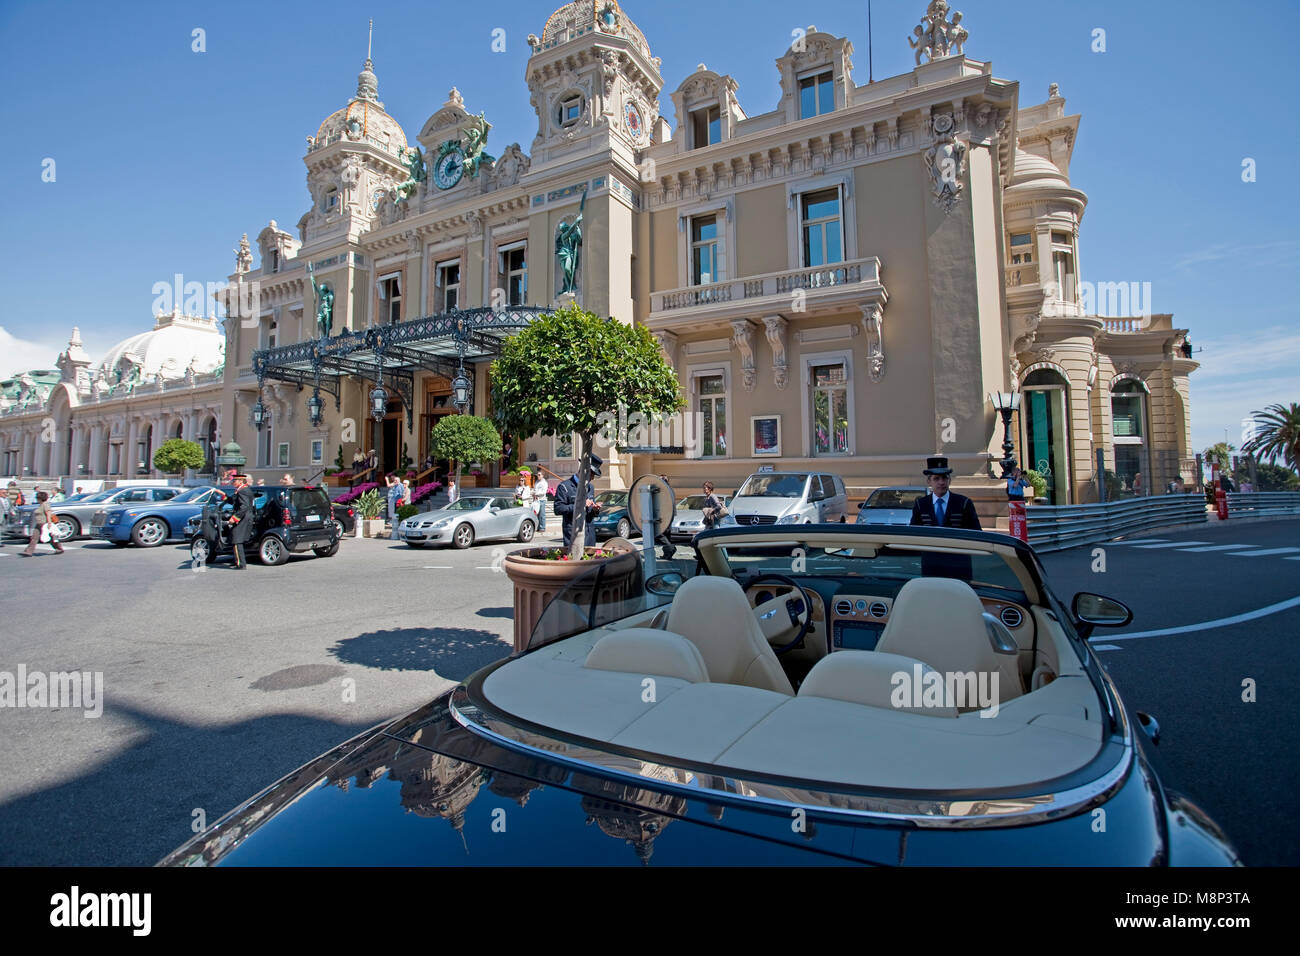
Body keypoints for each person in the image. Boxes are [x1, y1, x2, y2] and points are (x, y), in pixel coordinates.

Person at [910, 456, 981, 529]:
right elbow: (914, 534)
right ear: (929, 482)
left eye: (944, 478)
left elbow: (976, 533)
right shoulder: (921, 505)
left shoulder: (964, 503)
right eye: (936, 478)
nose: (941, 482)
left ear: (949, 480)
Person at [553, 455, 603, 548]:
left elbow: (590, 510)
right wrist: (581, 505)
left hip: (589, 537)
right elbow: (558, 509)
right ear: (585, 471)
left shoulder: (590, 487)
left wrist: (595, 509)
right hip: (573, 535)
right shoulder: (564, 487)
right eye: (592, 475)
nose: (592, 478)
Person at [21, 491, 65, 556]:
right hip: (39, 524)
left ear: (40, 498)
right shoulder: (41, 505)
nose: (36, 499)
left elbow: (48, 513)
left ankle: (59, 548)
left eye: (37, 498)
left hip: (45, 524)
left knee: (52, 537)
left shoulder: (45, 504)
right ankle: (28, 552)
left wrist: (49, 522)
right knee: (34, 538)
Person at [227, 475, 256, 569]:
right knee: (235, 538)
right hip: (246, 517)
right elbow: (235, 501)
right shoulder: (244, 489)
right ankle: (237, 560)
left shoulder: (243, 491)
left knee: (237, 539)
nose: (233, 482)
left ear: (241, 481)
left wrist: (234, 518)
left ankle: (241, 563)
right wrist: (224, 496)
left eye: (234, 480)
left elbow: (244, 507)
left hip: (243, 517)